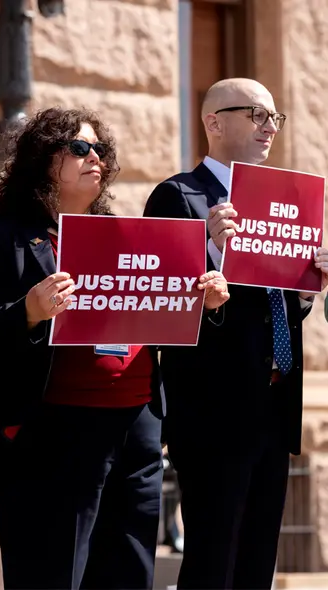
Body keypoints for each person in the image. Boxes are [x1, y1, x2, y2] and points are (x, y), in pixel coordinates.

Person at [0, 107, 230, 590]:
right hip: (53, 429)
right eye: (79, 148)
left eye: (99, 149)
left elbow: (163, 321)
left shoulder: (127, 234)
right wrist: (30, 310)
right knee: (53, 573)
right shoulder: (3, 235)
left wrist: (204, 303)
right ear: (43, 159)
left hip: (136, 427)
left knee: (129, 571)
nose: (95, 158)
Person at [143, 77, 328, 589]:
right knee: (214, 560)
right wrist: (215, 252)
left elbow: (271, 311)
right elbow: (162, 305)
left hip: (273, 403)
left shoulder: (283, 201)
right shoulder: (179, 195)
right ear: (214, 122)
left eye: (275, 117)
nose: (270, 127)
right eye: (257, 114)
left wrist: (307, 288)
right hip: (214, 410)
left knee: (256, 564)